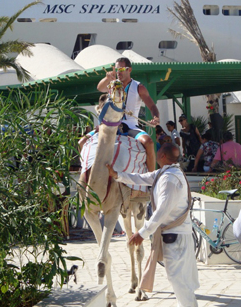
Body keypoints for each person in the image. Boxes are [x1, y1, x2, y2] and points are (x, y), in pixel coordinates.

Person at [106, 143, 199, 306]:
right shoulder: (166, 173)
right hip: (176, 237)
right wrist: (117, 175)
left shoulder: (170, 179)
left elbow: (162, 211)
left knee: (178, 279)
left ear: (163, 156)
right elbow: (140, 178)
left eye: (158, 152)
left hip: (176, 238)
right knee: (179, 279)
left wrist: (142, 233)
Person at [97, 57, 159, 171]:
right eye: (117, 70)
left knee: (149, 142)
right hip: (111, 124)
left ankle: (151, 178)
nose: (118, 72)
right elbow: (100, 88)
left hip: (130, 125)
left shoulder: (139, 87)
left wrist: (156, 117)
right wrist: (107, 78)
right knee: (83, 141)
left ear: (129, 70)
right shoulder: (112, 85)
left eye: (121, 69)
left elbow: (152, 106)